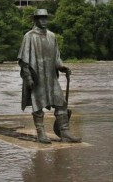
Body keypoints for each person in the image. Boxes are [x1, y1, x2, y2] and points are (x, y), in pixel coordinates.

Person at [18, 9, 81, 144]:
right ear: (36, 20)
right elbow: (24, 60)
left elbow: (56, 57)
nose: (44, 21)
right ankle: (41, 133)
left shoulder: (52, 36)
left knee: (61, 103)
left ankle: (65, 133)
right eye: (41, 18)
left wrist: (62, 67)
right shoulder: (29, 36)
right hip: (37, 77)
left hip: (51, 77)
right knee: (38, 105)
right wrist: (28, 78)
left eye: (45, 18)